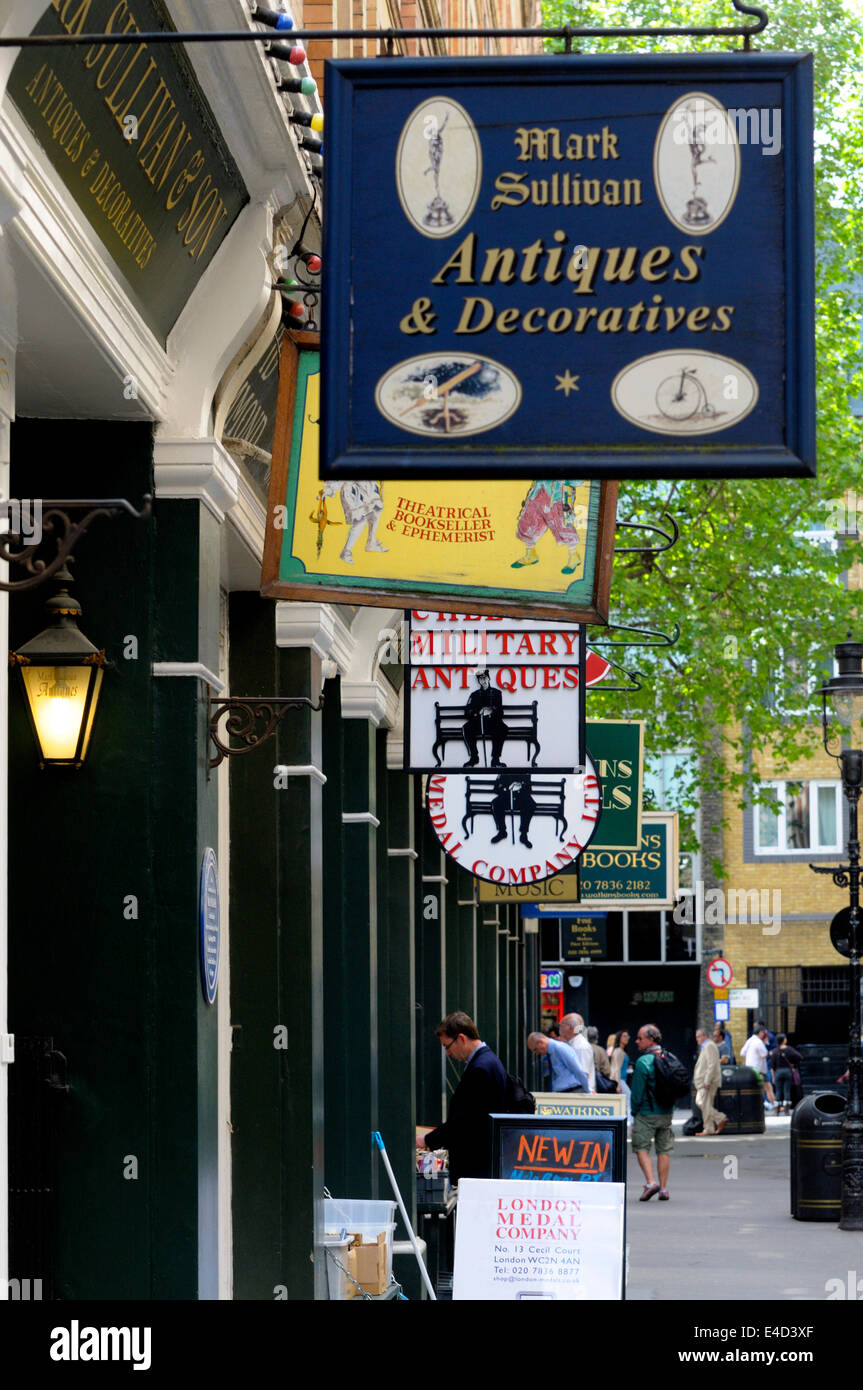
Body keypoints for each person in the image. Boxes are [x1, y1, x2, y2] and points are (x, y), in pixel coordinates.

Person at [416, 1011, 508, 1186]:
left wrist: (428, 1140)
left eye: (447, 1046)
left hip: (477, 1164)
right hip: (481, 1161)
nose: (447, 1053)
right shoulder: (486, 1062)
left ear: (461, 1038)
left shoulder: (481, 1068)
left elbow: (465, 1119)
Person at [630, 1024, 674, 1200]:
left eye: (640, 1038)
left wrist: (634, 1113)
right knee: (663, 1150)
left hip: (647, 1113)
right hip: (666, 1112)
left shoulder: (643, 1062)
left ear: (651, 1040)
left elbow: (637, 1093)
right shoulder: (669, 1057)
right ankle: (663, 1189)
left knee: (641, 1147)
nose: (637, 1041)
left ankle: (651, 1182)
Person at [462, 668, 508, 769]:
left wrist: (491, 710)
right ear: (478, 681)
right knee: (467, 728)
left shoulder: (497, 693)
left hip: (493, 723)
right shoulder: (474, 695)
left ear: (488, 678)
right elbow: (467, 711)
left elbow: (501, 711)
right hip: (479, 723)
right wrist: (477, 711)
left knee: (502, 728)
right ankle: (474, 757)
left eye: (484, 678)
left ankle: (495, 759)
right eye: (480, 679)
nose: (483, 680)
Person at [693, 1027, 727, 1136]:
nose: (697, 1039)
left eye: (698, 1037)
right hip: (704, 1082)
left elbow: (712, 1065)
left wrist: (707, 1081)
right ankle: (709, 1129)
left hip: (707, 1082)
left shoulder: (709, 1046)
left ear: (704, 1036)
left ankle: (720, 1118)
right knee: (704, 1104)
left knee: (702, 1103)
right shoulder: (706, 1046)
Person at [490, 773, 536, 849]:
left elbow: (528, 790)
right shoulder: (503, 773)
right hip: (506, 799)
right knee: (496, 803)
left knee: (530, 804)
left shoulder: (525, 773)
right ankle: (502, 832)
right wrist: (507, 788)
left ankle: (523, 835)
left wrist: (519, 787)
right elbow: (496, 789)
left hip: (520, 799)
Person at [740, 1025, 776, 1109]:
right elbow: (764, 1054)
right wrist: (771, 1052)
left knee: (756, 1088)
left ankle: (759, 1105)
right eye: (763, 1033)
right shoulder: (759, 1042)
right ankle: (774, 1104)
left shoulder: (750, 1040)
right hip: (759, 1070)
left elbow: (742, 1053)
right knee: (768, 1087)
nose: (764, 1035)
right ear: (760, 1033)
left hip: (749, 1069)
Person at [560, 1013, 596, 1091]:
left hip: (580, 1095)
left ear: (570, 1027)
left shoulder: (581, 1046)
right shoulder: (572, 1044)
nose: (560, 1028)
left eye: (562, 1025)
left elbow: (583, 1075)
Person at [769, 1034, 803, 1114]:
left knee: (778, 1091)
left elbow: (772, 1066)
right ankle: (786, 1110)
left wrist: (773, 1077)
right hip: (787, 1071)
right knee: (787, 1090)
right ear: (784, 1040)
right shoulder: (789, 1049)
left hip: (778, 1072)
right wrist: (793, 1063)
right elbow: (800, 1057)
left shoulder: (775, 1051)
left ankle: (777, 1110)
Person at [610, 1030, 633, 1122]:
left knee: (625, 1103)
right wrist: (618, 1084)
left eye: (627, 1036)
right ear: (619, 1038)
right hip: (620, 1081)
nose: (626, 1038)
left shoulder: (622, 1051)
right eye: (624, 1036)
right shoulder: (618, 1051)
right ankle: (631, 1123)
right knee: (629, 1100)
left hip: (623, 1080)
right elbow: (615, 1068)